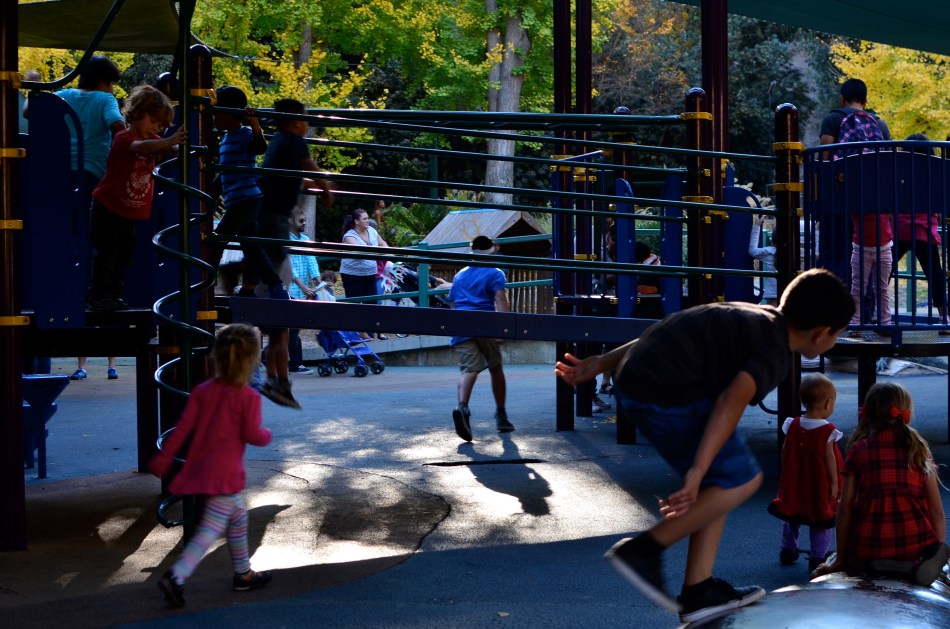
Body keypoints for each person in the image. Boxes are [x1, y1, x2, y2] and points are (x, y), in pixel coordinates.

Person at [554, 268, 854, 624]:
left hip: (639, 379)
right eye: (839, 334)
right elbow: (731, 402)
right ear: (822, 333)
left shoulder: (753, 315)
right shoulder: (774, 353)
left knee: (723, 480)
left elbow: (670, 328)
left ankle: (699, 591)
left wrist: (601, 362)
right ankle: (644, 551)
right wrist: (697, 469)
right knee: (742, 479)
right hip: (665, 395)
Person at [149, 323, 273, 607]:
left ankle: (243, 574)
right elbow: (252, 434)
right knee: (208, 530)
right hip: (225, 475)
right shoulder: (248, 397)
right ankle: (177, 576)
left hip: (201, 468)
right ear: (252, 360)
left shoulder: (203, 391)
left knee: (238, 517)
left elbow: (182, 428)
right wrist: (266, 435)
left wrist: (164, 459)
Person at [812, 382, 949, 586]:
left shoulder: (859, 450)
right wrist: (935, 550)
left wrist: (840, 560)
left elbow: (846, 509)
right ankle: (926, 561)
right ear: (906, 413)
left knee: (850, 559)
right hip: (914, 546)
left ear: (866, 413)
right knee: (927, 552)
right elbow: (936, 511)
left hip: (870, 547)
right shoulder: (918, 450)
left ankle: (874, 564)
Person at [256, 97, 333, 408]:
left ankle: (278, 380)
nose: (308, 124)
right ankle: (277, 381)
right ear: (294, 121)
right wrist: (326, 186)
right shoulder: (292, 140)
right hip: (272, 221)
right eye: (305, 118)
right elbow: (311, 168)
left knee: (277, 315)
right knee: (278, 305)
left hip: (269, 219)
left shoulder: (280, 141)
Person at [87, 85, 185, 311]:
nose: (157, 129)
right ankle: (98, 296)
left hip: (128, 212)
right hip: (107, 207)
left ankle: (113, 295)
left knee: (124, 257)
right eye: (153, 121)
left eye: (161, 126)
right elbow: (141, 146)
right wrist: (168, 142)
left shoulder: (155, 141)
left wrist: (177, 147)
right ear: (136, 114)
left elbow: (168, 149)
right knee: (106, 253)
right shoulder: (124, 137)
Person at [210, 85, 284, 298]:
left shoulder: (243, 134)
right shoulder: (225, 138)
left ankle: (204, 281)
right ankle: (276, 286)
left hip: (246, 200)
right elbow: (223, 174)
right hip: (238, 201)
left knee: (218, 240)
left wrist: (254, 123)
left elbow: (260, 147)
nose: (213, 117)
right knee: (252, 247)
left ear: (228, 113)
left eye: (217, 112)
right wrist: (211, 195)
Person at [767, 373, 843, 573]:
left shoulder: (792, 424)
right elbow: (829, 458)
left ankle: (788, 549)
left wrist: (786, 473)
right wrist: (834, 482)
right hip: (817, 484)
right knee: (820, 517)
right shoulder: (828, 430)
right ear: (828, 404)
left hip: (794, 480)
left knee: (792, 514)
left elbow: (785, 450)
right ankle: (818, 556)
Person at [818, 78, 892, 285]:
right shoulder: (879, 124)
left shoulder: (833, 119)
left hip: (839, 200)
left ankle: (831, 303)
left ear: (842, 99)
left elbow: (825, 157)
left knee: (833, 253)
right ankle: (864, 309)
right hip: (871, 203)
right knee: (865, 253)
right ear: (865, 101)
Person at [448, 236, 514, 441]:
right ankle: (501, 415)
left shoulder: (460, 275)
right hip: (485, 324)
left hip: (462, 326)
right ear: (492, 250)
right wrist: (501, 328)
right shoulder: (495, 273)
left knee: (469, 369)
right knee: (495, 367)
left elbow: (453, 303)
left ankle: (463, 407)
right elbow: (500, 299)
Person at [894, 133, 948, 332]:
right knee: (935, 273)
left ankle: (877, 313)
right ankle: (944, 317)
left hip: (899, 228)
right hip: (924, 230)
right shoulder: (934, 172)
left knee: (883, 273)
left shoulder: (899, 172)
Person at [340, 208, 388, 341]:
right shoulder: (349, 236)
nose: (368, 221)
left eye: (368, 218)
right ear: (356, 221)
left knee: (371, 301)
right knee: (356, 303)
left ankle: (369, 329)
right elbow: (361, 252)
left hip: (369, 274)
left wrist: (385, 249)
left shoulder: (372, 231)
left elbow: (382, 242)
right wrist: (378, 251)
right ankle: (361, 333)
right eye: (365, 219)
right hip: (352, 275)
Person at [288, 208, 320, 375]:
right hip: (291, 289)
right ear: (291, 221)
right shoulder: (286, 240)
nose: (304, 223)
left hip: (302, 291)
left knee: (293, 328)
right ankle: (295, 363)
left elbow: (312, 264)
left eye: (305, 220)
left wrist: (320, 283)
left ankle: (289, 361)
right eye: (301, 220)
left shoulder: (305, 240)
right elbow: (290, 268)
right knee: (292, 328)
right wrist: (303, 287)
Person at [748, 216, 777, 306]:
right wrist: (817, 231)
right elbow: (817, 254)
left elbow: (752, 251)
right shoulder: (795, 252)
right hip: (790, 288)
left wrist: (757, 226)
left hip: (774, 292)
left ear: (772, 240)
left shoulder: (768, 252)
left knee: (774, 314)